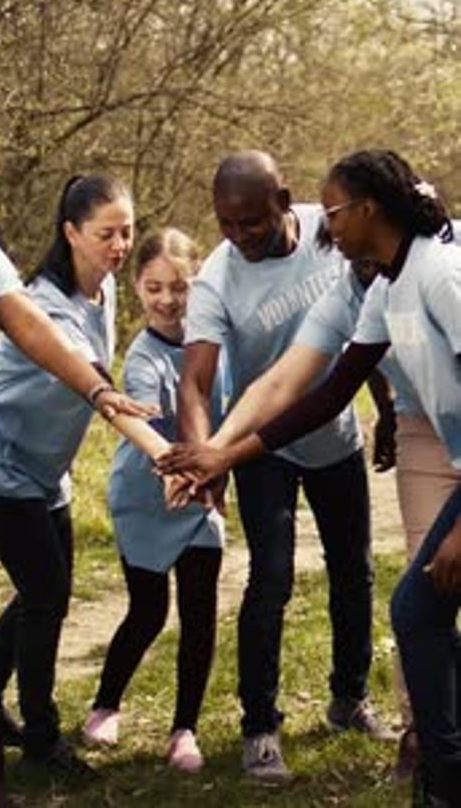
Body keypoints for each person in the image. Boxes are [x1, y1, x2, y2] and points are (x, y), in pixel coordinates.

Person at [161, 149, 461, 807]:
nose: (328, 229)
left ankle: (430, 761)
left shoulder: (436, 272)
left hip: (425, 458)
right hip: (338, 440)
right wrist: (217, 453)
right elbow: (305, 386)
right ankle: (436, 767)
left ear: (368, 210)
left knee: (401, 597)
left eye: (335, 214)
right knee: (409, 604)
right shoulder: (379, 285)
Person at [0, 130, 154, 808]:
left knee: (44, 592)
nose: (120, 245)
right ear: (70, 232)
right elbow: (94, 383)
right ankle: (41, 739)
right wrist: (161, 451)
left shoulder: (103, 297)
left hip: (51, 474)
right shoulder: (42, 300)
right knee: (45, 595)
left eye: (127, 231)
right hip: (3, 466)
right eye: (106, 232)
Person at [82, 228, 225, 773]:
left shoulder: (214, 343)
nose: (167, 300)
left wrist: (216, 476)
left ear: (198, 286)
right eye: (153, 288)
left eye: (180, 287)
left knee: (199, 613)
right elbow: (149, 425)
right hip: (146, 495)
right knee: (148, 611)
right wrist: (182, 471)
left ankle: (184, 729)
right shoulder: (144, 356)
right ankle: (105, 704)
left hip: (198, 498)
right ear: (137, 287)